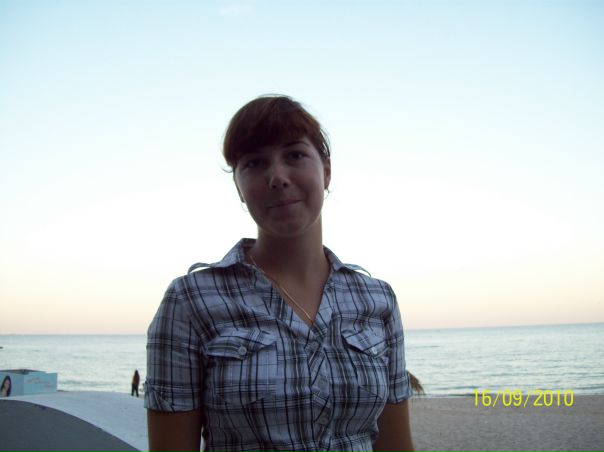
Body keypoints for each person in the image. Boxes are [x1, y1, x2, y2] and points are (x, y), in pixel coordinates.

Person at [145, 95, 415, 452]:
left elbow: (396, 445)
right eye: (254, 163)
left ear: (327, 171)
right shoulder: (191, 301)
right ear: (239, 187)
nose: (277, 177)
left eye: (295, 155)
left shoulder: (377, 299)